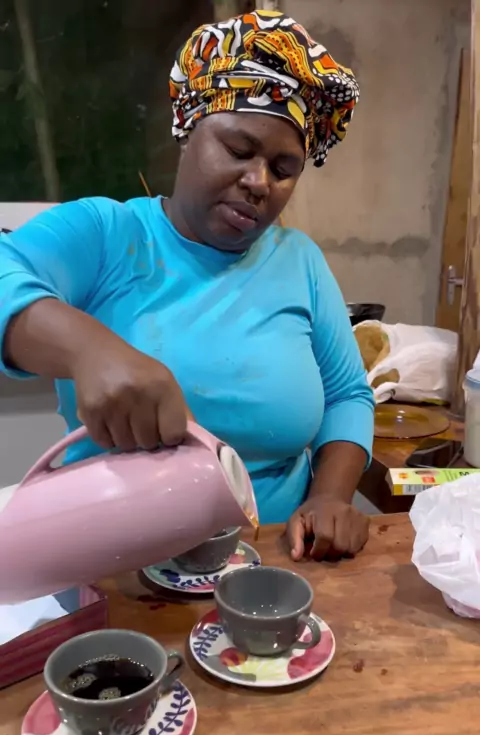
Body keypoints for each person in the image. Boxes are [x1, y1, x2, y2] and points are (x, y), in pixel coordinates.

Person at [0, 10, 374, 561]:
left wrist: (330, 497)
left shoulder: (300, 262)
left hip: (275, 561)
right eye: (239, 150)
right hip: (119, 566)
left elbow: (346, 396)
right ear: (187, 131)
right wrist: (89, 350)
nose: (258, 182)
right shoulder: (108, 235)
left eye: (283, 168)